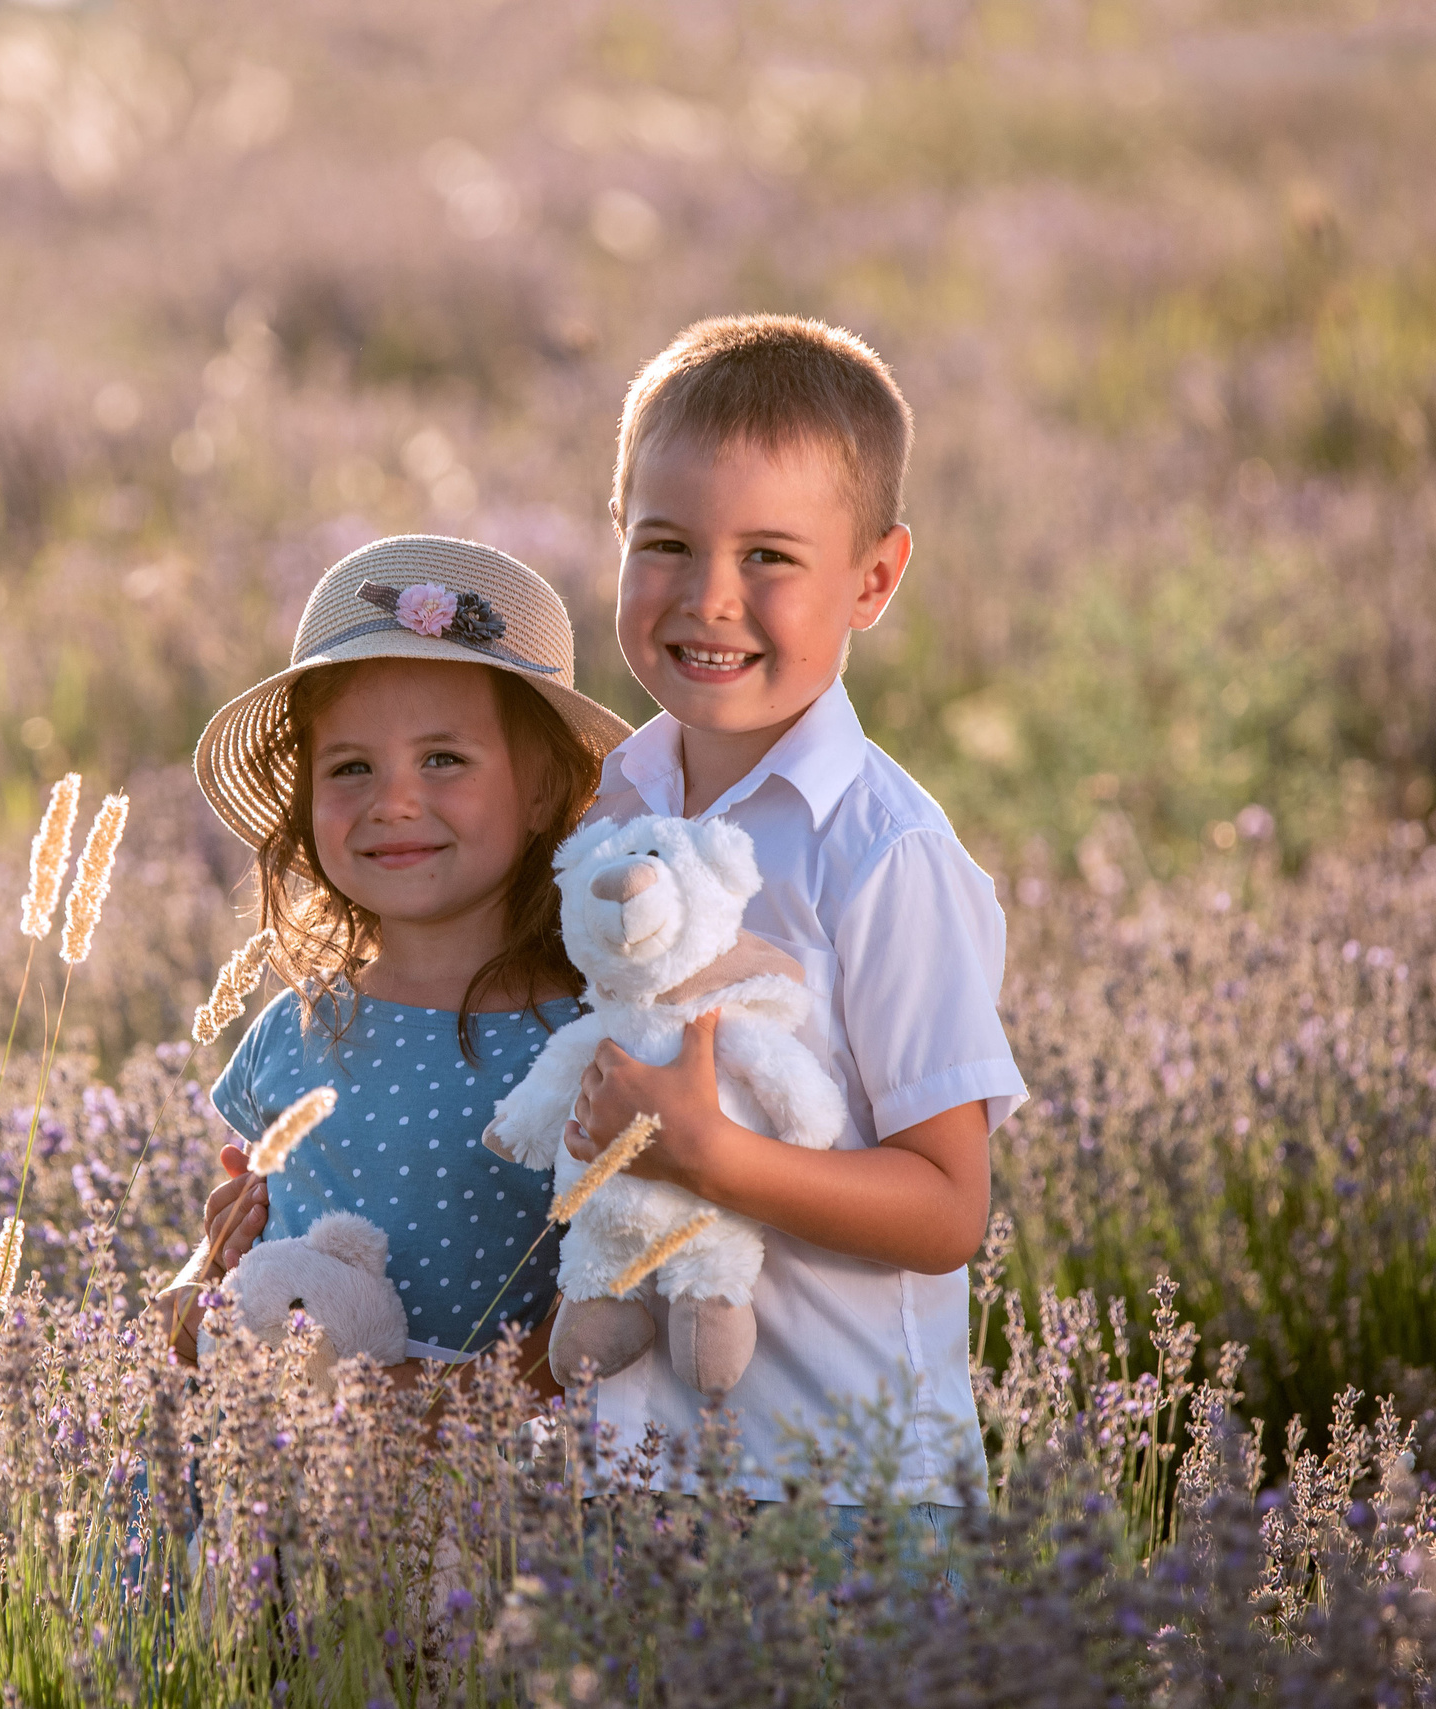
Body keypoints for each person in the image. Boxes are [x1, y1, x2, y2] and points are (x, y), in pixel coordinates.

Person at [560, 313, 1026, 1532]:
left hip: (843, 1482)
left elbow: (945, 1206)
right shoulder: (611, 802)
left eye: (770, 555)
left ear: (872, 578)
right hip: (631, 1472)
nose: (710, 598)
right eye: (665, 543)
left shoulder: (879, 852)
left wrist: (712, 1158)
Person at [153, 535, 632, 1394]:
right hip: (282, 1481)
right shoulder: (298, 1021)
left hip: (488, 1483)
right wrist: (198, 1285)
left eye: (443, 758)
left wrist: (443, 1415)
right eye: (350, 767)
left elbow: (605, 1284)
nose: (394, 800)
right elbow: (252, 1234)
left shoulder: (582, 1039)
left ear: (538, 792)